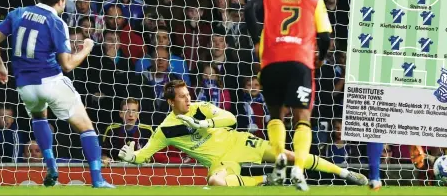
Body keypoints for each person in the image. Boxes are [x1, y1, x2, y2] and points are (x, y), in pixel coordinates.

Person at [0, 0, 114, 189]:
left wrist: (0, 65)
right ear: (61, 1)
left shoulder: (17, 13)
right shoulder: (56, 22)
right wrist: (87, 47)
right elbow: (68, 65)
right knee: (87, 127)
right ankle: (98, 179)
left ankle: (51, 166)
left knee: (39, 117)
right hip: (50, 81)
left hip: (25, 86)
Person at [117, 80, 367, 188]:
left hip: (240, 141)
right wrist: (131, 158)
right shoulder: (166, 130)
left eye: (188, 93)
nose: (188, 98)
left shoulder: (200, 108)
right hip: (222, 161)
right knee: (215, 183)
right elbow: (143, 155)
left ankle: (346, 173)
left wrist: (204, 124)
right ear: (171, 101)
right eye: (183, 96)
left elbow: (231, 118)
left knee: (289, 155)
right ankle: (267, 180)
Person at [243, 0, 334, 190]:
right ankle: (299, 168)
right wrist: (321, 57)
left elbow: (248, 9)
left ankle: (279, 156)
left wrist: (256, 39)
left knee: (276, 115)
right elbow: (325, 36)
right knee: (302, 118)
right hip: (300, 62)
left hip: (272, 61)